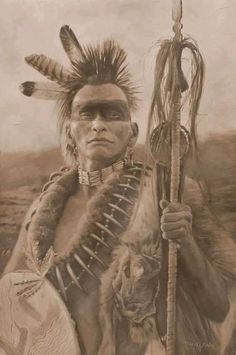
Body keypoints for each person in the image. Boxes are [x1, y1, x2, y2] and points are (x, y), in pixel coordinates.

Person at [2, 25, 235, 355]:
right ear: (70, 131)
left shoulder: (166, 192)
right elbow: (9, 312)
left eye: (112, 113)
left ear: (132, 132)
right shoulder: (42, 210)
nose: (99, 124)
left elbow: (218, 307)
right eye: (87, 113)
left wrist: (186, 242)